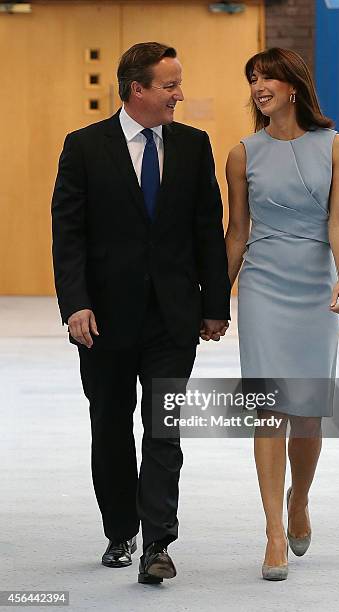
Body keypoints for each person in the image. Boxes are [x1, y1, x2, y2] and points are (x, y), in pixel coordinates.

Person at [51, 42, 230, 585]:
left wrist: (214, 304)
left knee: (164, 428)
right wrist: (75, 303)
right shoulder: (84, 147)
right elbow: (69, 234)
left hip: (172, 318)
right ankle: (119, 531)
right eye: (170, 85)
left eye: (179, 84)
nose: (180, 94)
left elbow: (207, 229)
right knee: (109, 425)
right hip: (102, 319)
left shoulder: (194, 146)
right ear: (137, 90)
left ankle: (158, 542)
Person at [225, 47, 339, 581]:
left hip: (314, 290)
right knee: (267, 409)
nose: (258, 84)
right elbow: (236, 231)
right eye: (252, 77)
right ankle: (274, 531)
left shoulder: (336, 147)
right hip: (262, 287)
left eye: (268, 76)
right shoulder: (241, 153)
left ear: (292, 87)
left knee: (306, 412)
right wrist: (214, 299)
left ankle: (300, 498)